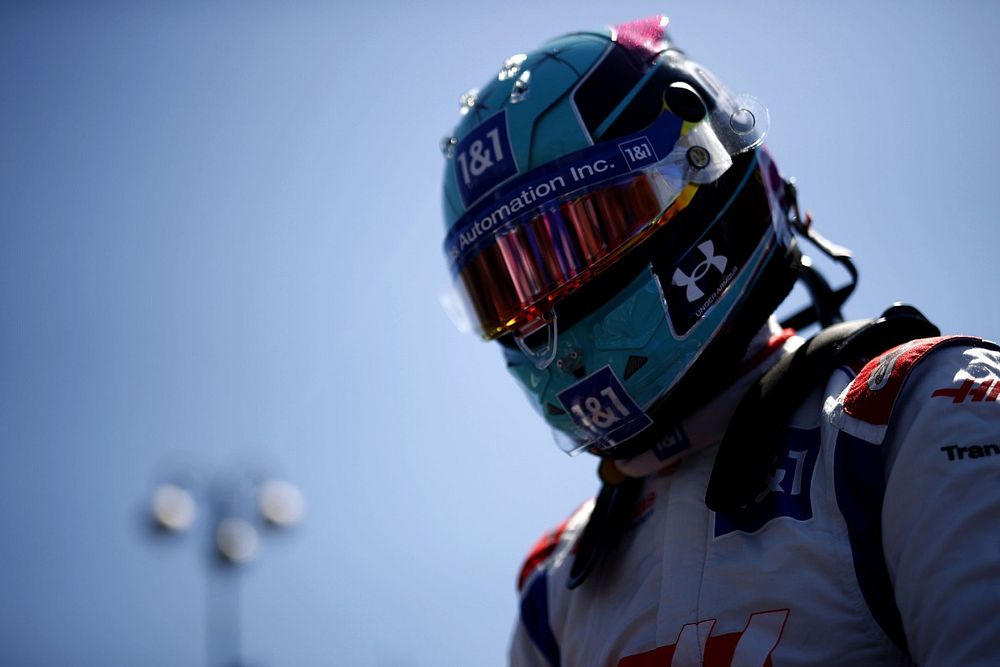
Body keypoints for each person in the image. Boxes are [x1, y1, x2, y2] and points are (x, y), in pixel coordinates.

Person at [438, 14, 1000, 666]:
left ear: (704, 171)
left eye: (584, 235)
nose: (546, 310)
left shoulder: (917, 410)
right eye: (508, 288)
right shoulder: (556, 589)